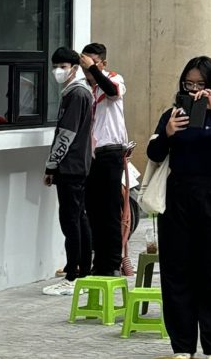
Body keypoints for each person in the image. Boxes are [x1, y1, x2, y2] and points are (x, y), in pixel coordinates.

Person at [147, 56, 211, 359]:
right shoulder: (172, 114)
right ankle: (182, 346)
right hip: (179, 195)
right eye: (188, 85)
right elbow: (153, 152)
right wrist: (168, 133)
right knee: (177, 271)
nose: (193, 91)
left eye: (200, 85)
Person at [42, 47, 94, 296]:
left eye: (63, 66)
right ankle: (84, 271)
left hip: (70, 166)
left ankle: (74, 275)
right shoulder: (79, 93)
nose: (58, 71)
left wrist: (52, 165)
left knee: (70, 220)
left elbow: (66, 134)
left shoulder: (76, 94)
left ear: (74, 68)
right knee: (79, 218)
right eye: (56, 66)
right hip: (78, 165)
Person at [80, 42, 129, 276]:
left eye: (93, 64)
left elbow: (111, 91)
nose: (87, 70)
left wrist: (95, 70)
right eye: (85, 65)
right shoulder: (83, 88)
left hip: (110, 152)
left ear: (103, 63)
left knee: (109, 210)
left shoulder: (114, 78)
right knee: (93, 210)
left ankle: (111, 263)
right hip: (91, 155)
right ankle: (97, 261)